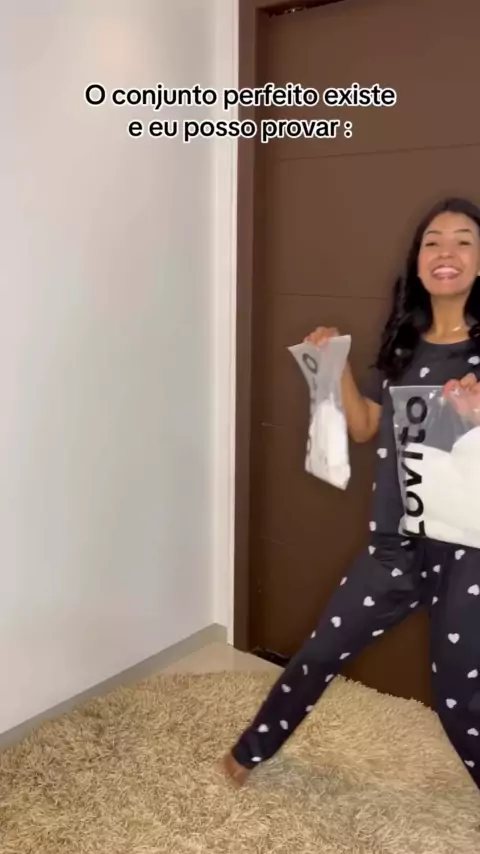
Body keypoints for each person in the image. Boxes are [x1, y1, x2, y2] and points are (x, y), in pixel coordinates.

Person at [222, 196, 480, 790]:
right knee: (319, 652)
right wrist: (332, 366)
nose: (446, 252)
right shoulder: (403, 348)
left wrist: (472, 420)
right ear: (417, 261)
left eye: (464, 241)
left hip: (467, 554)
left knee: (460, 700)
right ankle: (247, 754)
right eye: (433, 242)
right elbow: (365, 427)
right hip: (392, 544)